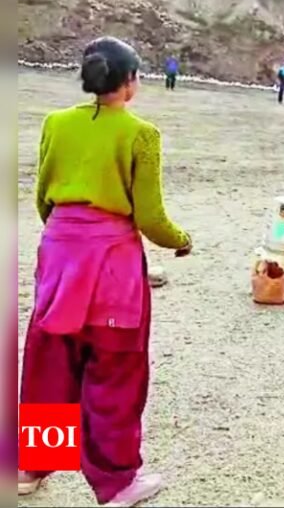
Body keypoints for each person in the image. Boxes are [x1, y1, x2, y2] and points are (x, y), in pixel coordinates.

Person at [17, 36, 192, 507]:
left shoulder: (56, 123)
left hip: (58, 255)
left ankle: (32, 467)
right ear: (130, 81)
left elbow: (41, 196)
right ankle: (117, 483)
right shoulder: (141, 133)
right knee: (115, 370)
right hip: (110, 262)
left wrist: (64, 239)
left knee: (50, 362)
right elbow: (150, 218)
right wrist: (182, 241)